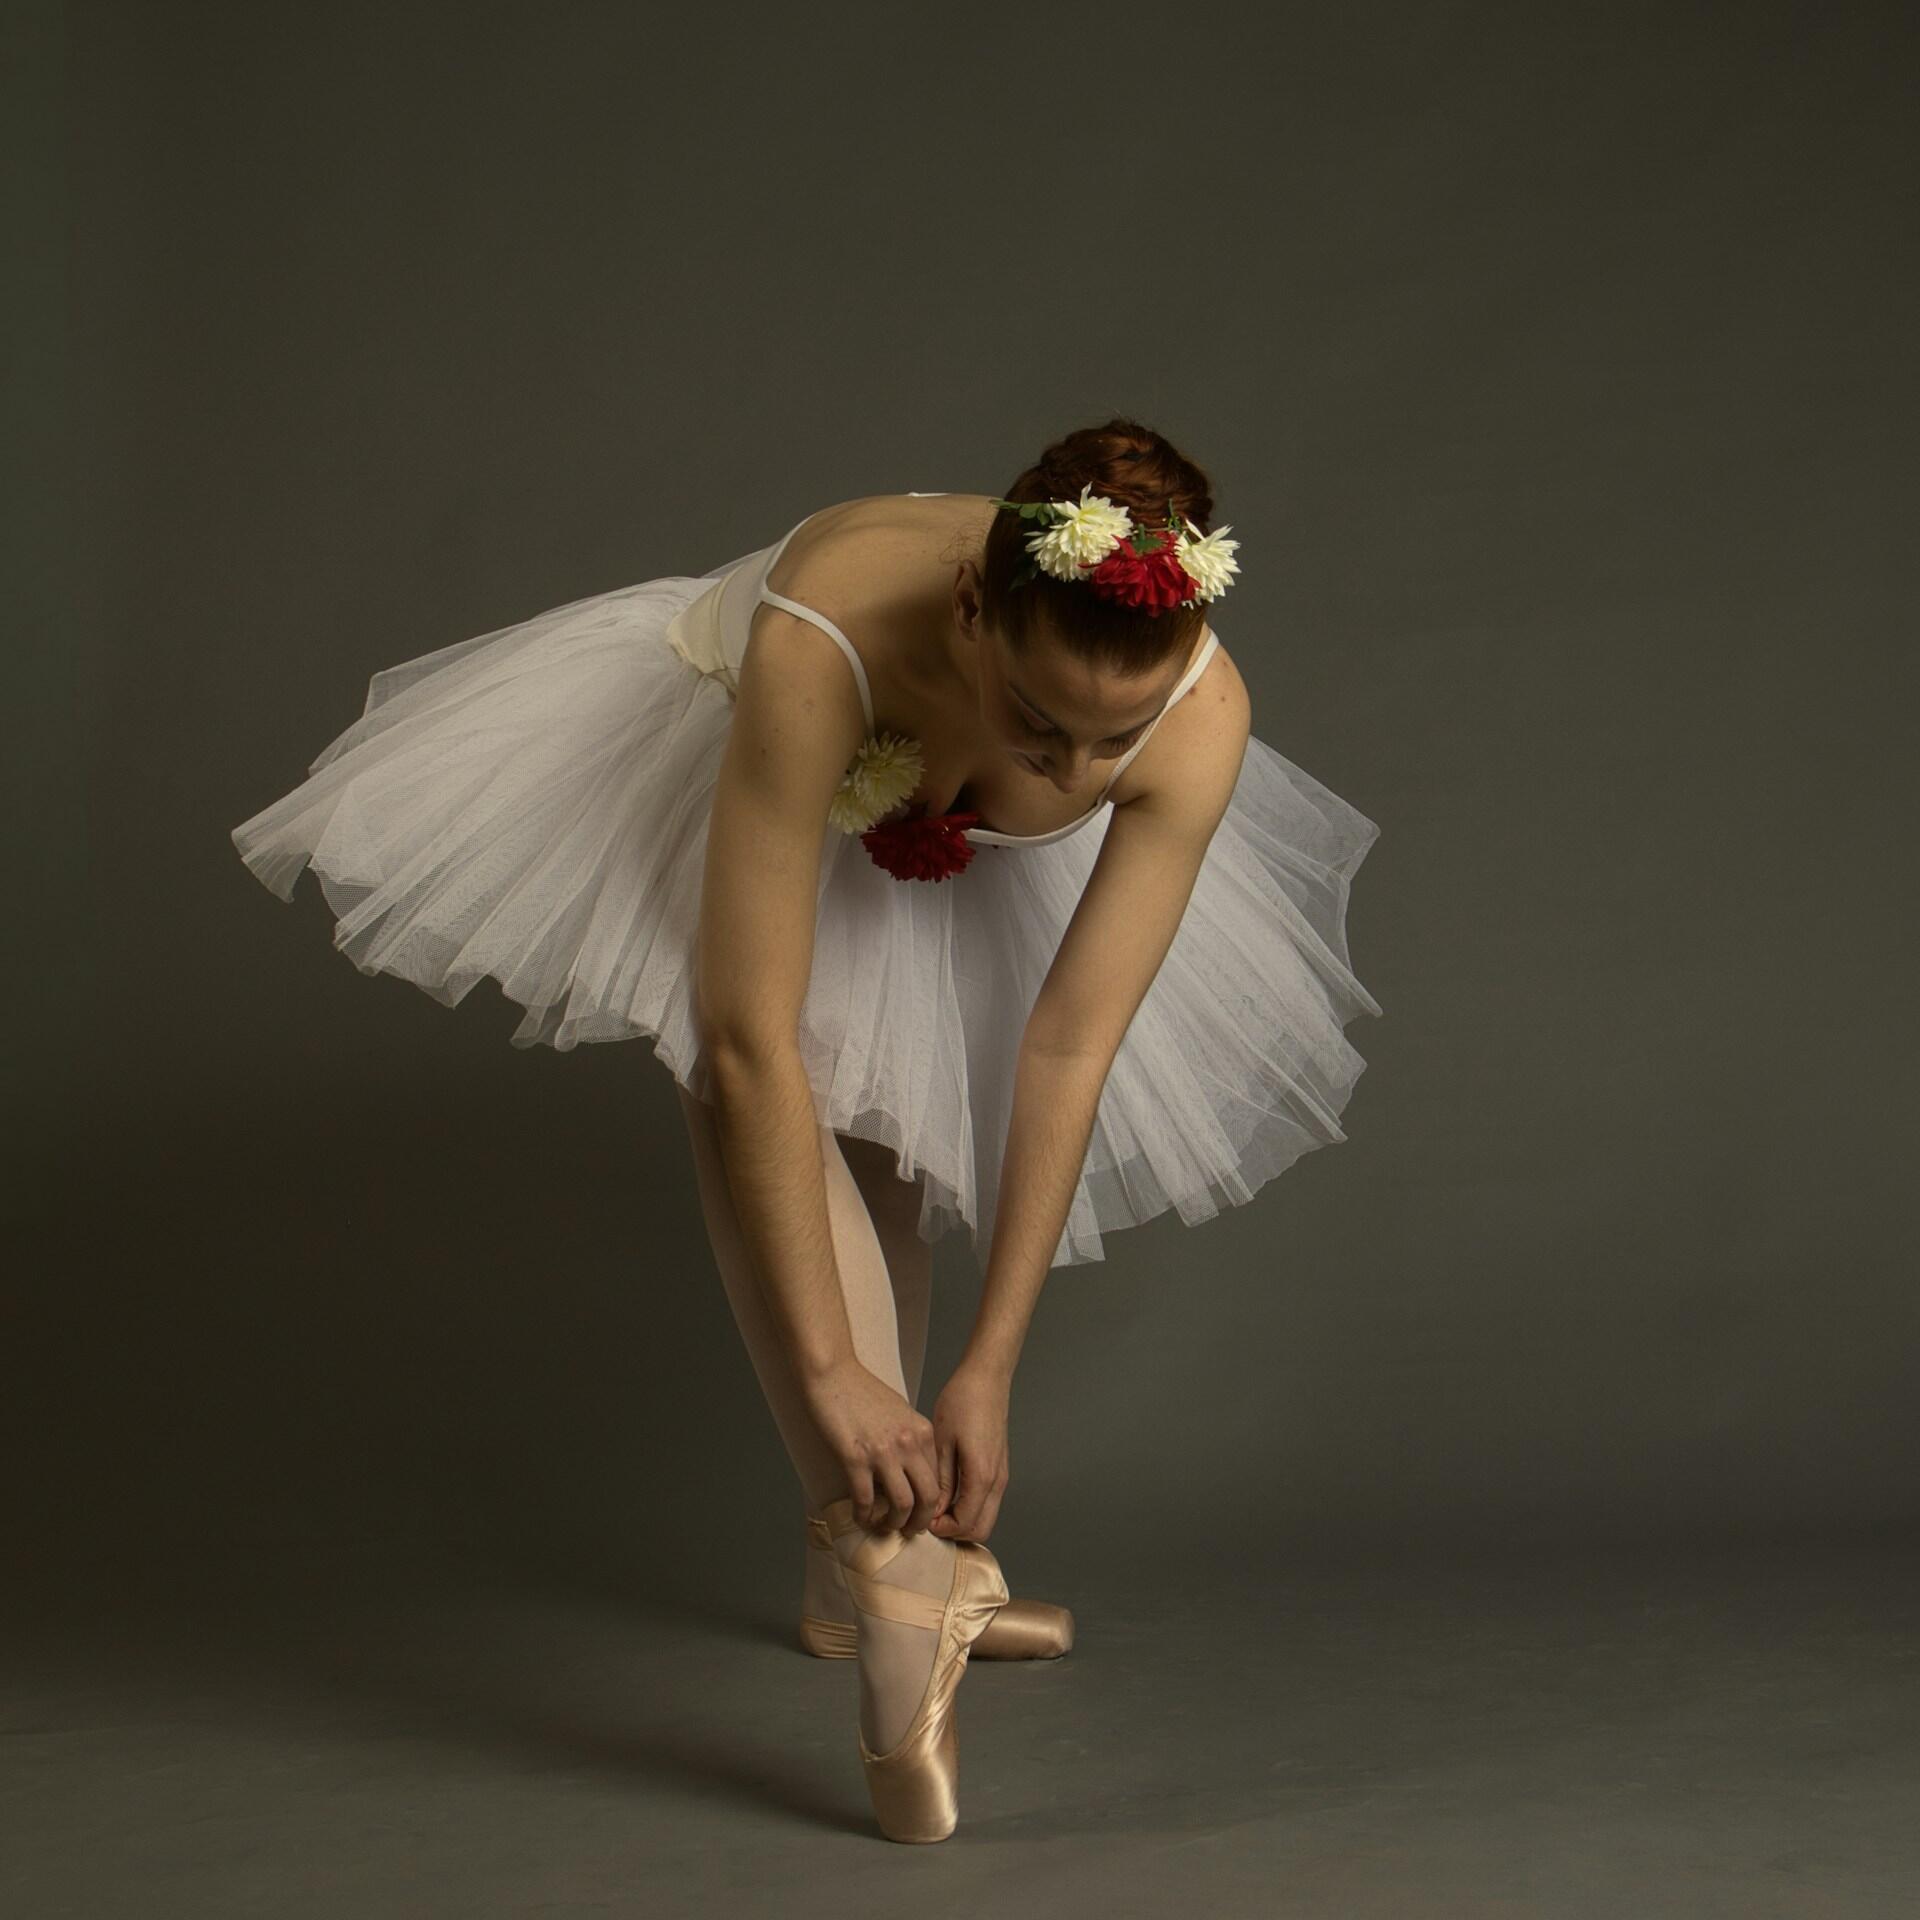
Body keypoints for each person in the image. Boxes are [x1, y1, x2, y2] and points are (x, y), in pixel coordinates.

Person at [230, 417, 1384, 1843]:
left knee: (891, 1142)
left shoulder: (1199, 723)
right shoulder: (828, 627)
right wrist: (833, 1371)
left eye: (1113, 740)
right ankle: (901, 1578)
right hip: (760, 749)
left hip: (926, 815)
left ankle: (852, 1583)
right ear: (974, 610)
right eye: (1038, 727)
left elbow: (1070, 1046)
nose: (1079, 774)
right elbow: (745, 1043)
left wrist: (988, 1364)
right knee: (749, 1082)